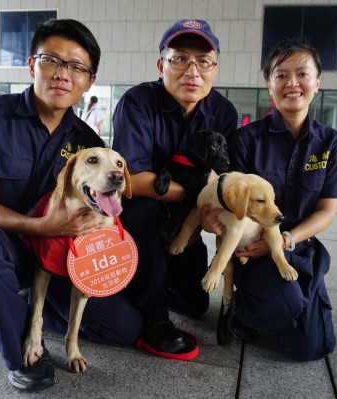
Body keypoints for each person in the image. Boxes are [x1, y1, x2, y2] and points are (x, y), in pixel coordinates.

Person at [0, 19, 142, 391]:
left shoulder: (87, 144)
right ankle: (20, 345)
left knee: (123, 327)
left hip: (53, 254)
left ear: (90, 80)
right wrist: (45, 227)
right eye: (52, 60)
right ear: (32, 65)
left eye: (77, 67)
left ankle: (24, 303)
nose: (63, 74)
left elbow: (100, 205)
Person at [210, 38, 337, 361]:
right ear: (269, 85)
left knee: (311, 348)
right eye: (281, 75)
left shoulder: (330, 142)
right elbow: (230, 207)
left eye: (302, 74)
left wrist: (287, 239)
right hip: (252, 250)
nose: (292, 83)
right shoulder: (246, 140)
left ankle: (288, 305)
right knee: (285, 304)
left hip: (299, 247)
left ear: (317, 82)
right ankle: (241, 309)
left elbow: (327, 210)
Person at [112, 19, 238, 357]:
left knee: (195, 305)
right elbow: (131, 181)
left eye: (204, 61)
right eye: (180, 58)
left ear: (215, 69)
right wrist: (198, 196)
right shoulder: (138, 102)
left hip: (188, 220)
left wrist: (199, 217)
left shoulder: (223, 111)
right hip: (142, 211)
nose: (192, 71)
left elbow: (222, 177)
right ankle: (153, 317)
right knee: (147, 210)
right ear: (161, 65)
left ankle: (140, 282)